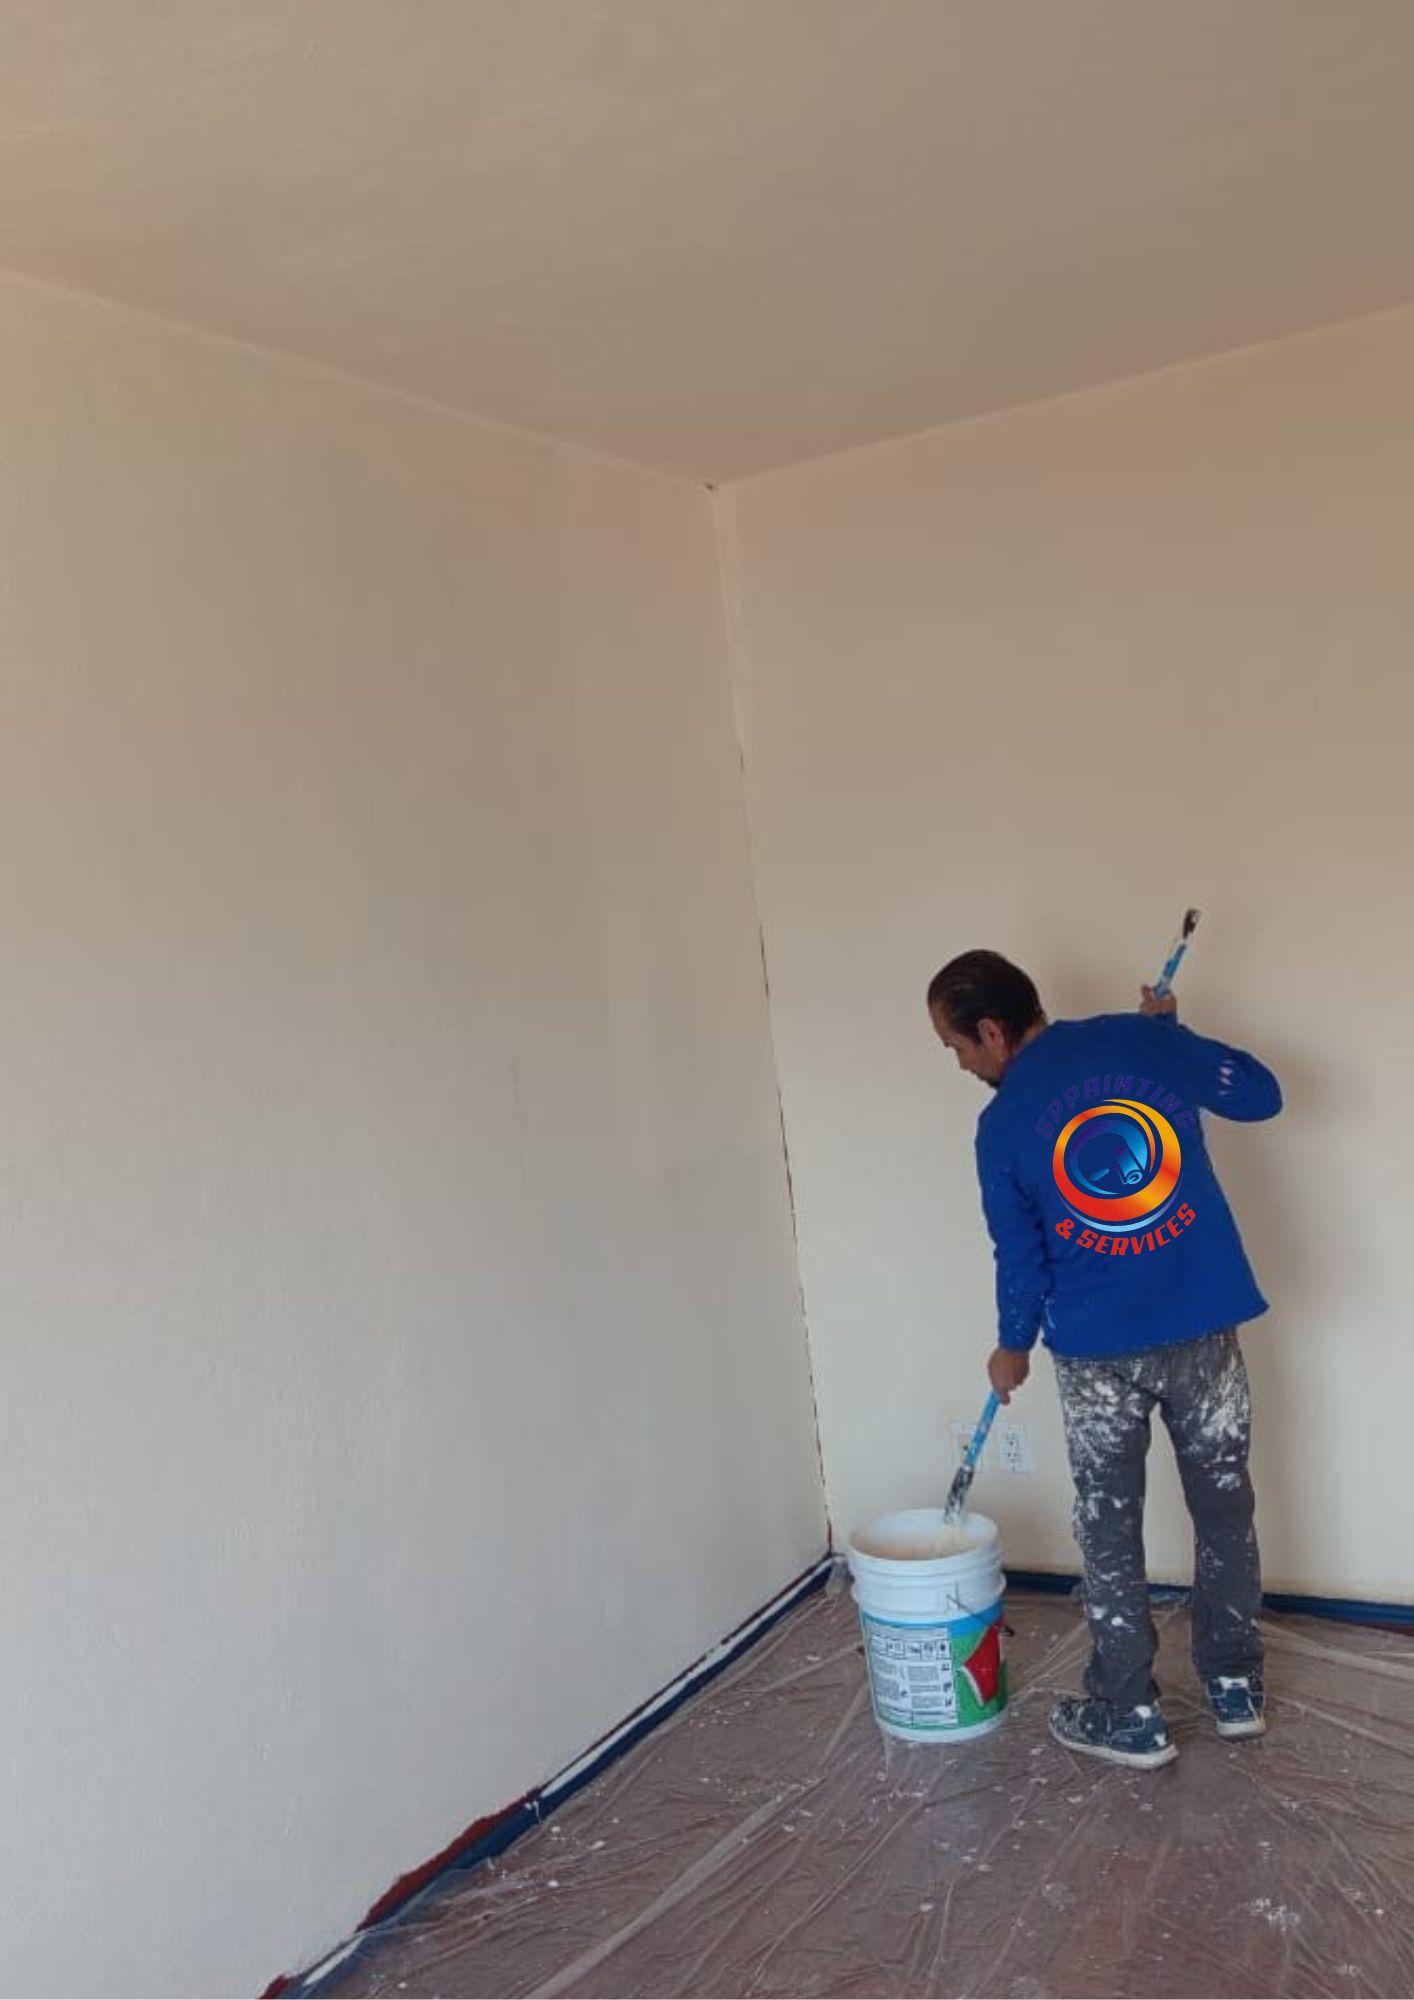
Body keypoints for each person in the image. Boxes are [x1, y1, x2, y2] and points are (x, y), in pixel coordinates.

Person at [927, 949, 1283, 1770]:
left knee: (1109, 1525)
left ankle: (1130, 1714)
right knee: (1224, 1510)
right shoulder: (1139, 1039)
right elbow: (1261, 1095)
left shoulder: (1002, 1124)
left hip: (1098, 1354)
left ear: (993, 1031)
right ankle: (1235, 1688)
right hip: (1202, 1328)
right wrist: (1172, 1036)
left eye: (958, 1047)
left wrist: (1012, 1344)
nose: (962, 1064)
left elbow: (1020, 1254)